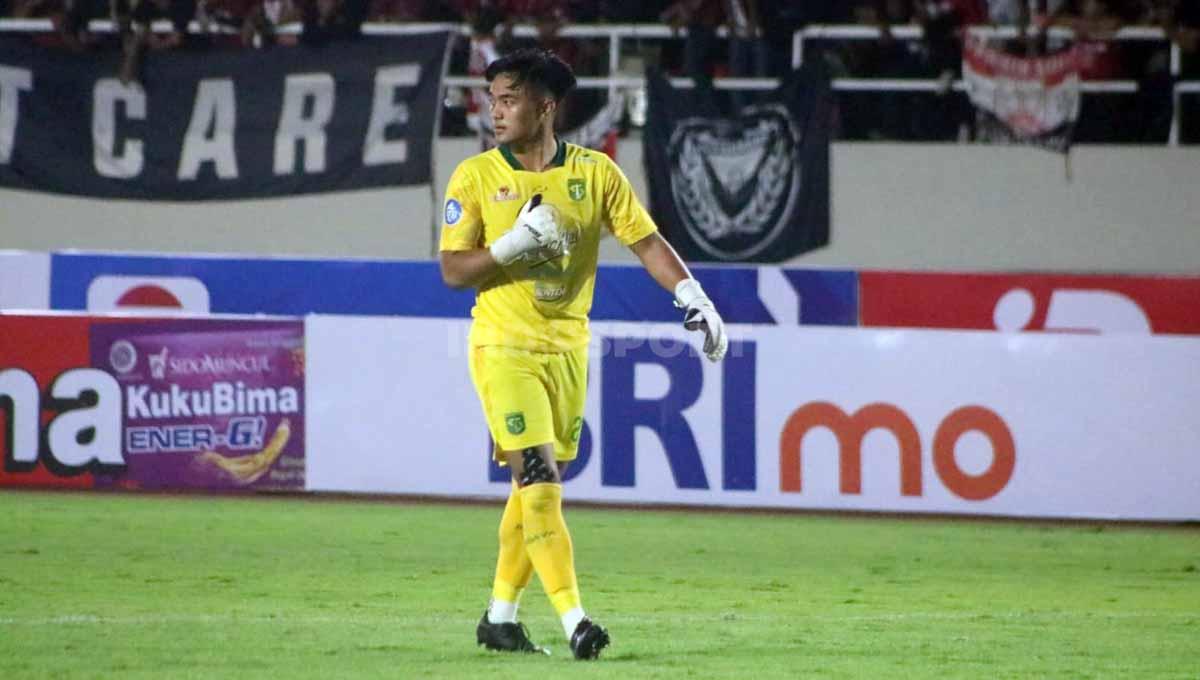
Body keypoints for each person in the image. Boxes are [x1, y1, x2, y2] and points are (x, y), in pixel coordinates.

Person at [438, 47, 729, 660]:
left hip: (568, 349)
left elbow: (645, 242)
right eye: (493, 99)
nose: (496, 111)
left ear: (546, 106)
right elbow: (453, 270)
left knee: (534, 488)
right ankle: (576, 621)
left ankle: (500, 617)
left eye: (509, 98)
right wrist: (511, 245)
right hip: (503, 345)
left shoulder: (594, 174)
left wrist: (693, 295)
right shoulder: (475, 177)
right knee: (539, 479)